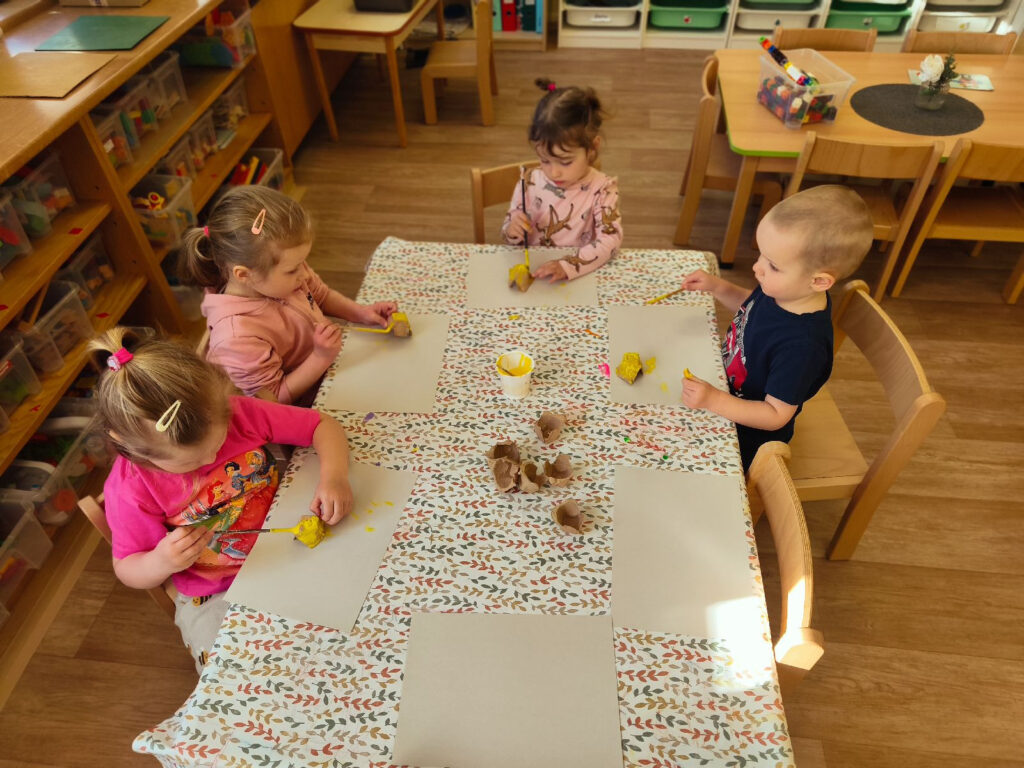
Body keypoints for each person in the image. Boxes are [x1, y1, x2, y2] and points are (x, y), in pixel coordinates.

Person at [92, 327, 354, 670]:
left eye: (217, 446)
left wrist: (334, 477)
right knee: (235, 670)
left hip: (289, 543)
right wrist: (161, 561)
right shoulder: (130, 489)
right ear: (136, 452)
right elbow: (128, 567)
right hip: (214, 591)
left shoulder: (237, 413)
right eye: (190, 463)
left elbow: (320, 425)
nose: (211, 460)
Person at [679, 185, 874, 470]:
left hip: (746, 438)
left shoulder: (802, 347)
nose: (757, 268)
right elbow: (751, 307)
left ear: (819, 281)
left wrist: (714, 400)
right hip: (722, 391)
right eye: (761, 255)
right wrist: (717, 287)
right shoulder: (784, 291)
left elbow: (775, 415)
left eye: (772, 265)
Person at [180, 186, 397, 405]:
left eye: (303, 262)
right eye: (293, 269)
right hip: (304, 403)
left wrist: (361, 313)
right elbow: (273, 401)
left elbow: (321, 295)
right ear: (245, 274)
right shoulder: (237, 337)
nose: (305, 274)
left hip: (328, 367)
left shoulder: (285, 274)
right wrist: (320, 357)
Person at [501, 78, 622, 282]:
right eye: (544, 160)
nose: (554, 173)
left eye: (565, 162)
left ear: (593, 148)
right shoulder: (529, 181)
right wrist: (511, 230)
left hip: (578, 280)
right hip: (537, 278)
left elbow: (611, 240)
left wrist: (568, 266)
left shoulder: (603, 190)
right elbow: (508, 230)